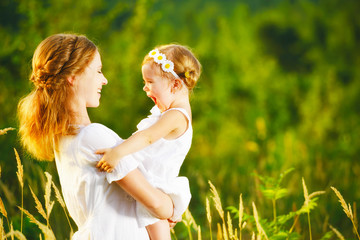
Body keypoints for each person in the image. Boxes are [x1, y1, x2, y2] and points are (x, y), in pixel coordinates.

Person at [17, 33, 175, 239]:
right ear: (72, 76)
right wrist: (172, 206)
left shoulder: (63, 139)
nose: (105, 79)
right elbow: (156, 204)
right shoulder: (93, 136)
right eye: (98, 71)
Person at [96, 44, 201, 239]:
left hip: (155, 185)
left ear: (175, 85)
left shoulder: (177, 116)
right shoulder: (166, 113)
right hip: (145, 183)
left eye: (150, 81)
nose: (145, 87)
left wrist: (118, 152)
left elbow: (147, 137)